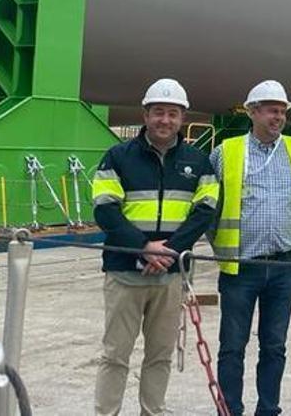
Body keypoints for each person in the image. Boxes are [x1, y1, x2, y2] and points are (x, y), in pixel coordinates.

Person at [92, 78, 221, 416]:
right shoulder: (117, 156)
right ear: (145, 115)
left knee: (160, 355)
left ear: (182, 118)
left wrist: (169, 250)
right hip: (124, 274)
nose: (166, 120)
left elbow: (205, 211)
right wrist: (144, 247)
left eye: (173, 114)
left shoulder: (198, 161)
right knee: (115, 355)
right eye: (159, 112)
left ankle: (153, 411)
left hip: (170, 277)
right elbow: (105, 209)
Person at [208, 79, 291, 416]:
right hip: (241, 267)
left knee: (274, 347)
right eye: (270, 110)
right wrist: (221, 246)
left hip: (284, 267)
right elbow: (209, 207)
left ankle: (268, 409)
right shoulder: (226, 153)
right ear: (252, 112)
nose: (277, 117)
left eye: (281, 111)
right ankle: (231, 410)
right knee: (232, 347)